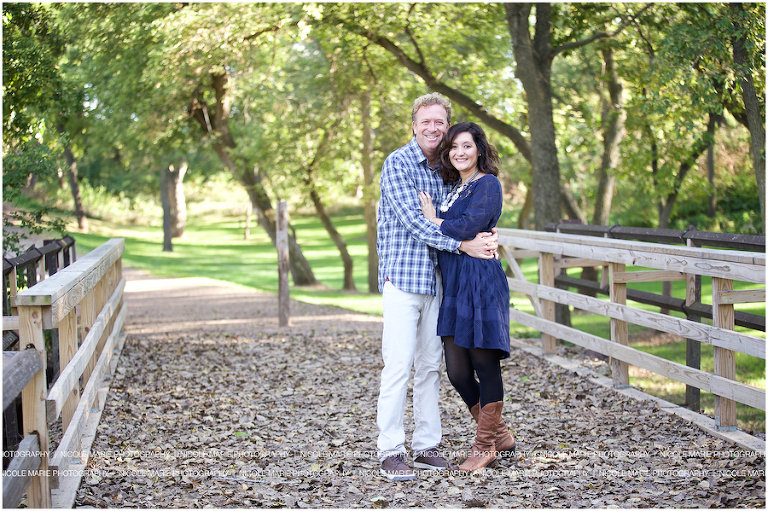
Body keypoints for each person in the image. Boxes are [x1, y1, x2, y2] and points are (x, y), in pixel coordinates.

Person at [376, 94, 499, 481]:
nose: (433, 128)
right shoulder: (398, 163)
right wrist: (464, 244)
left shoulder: (446, 169)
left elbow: (463, 214)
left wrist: (485, 234)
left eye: (439, 122)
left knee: (430, 366)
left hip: (441, 284)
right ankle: (391, 450)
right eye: (425, 121)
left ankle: (426, 446)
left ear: (447, 127)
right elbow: (416, 222)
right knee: (399, 366)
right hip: (404, 279)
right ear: (414, 125)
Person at [418, 121, 515, 472]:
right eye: (454, 147)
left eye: (467, 146)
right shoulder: (455, 188)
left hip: (480, 283)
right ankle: (501, 436)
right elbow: (459, 232)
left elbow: (467, 228)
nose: (460, 152)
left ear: (479, 150)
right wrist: (441, 221)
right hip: (455, 286)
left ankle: (484, 445)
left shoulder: (487, 184)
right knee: (457, 372)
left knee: (485, 365)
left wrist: (434, 220)